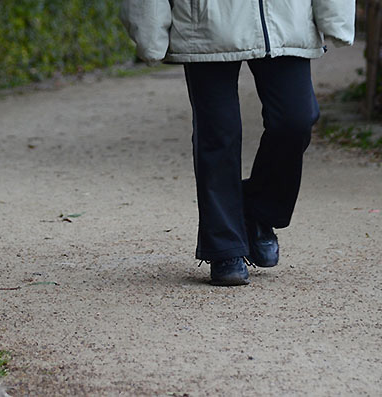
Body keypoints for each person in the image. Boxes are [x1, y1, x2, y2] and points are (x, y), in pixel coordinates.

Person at [120, 1, 355, 286]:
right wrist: (148, 28)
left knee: (296, 120)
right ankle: (224, 247)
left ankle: (256, 210)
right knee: (218, 133)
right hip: (202, 20)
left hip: (285, 16)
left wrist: (336, 17)